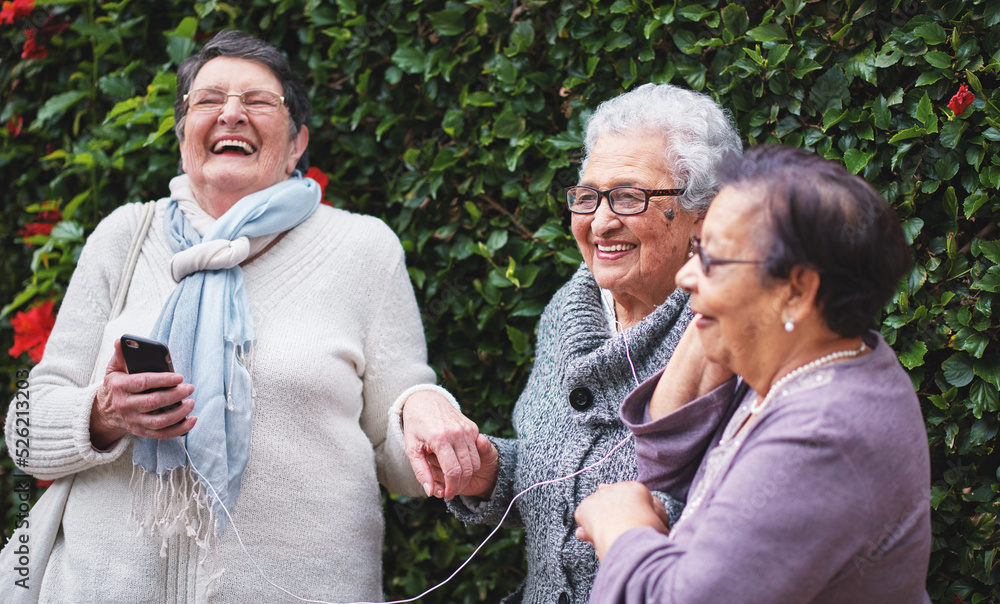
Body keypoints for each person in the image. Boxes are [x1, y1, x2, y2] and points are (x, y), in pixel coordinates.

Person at [0, 29, 477, 602]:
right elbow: (25, 430)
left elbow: (399, 458)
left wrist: (423, 408)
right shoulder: (125, 237)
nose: (231, 114)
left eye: (257, 101)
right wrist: (102, 413)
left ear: (297, 142)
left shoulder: (363, 249)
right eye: (207, 101)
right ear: (183, 139)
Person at [402, 83, 742, 604]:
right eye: (588, 197)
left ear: (704, 214)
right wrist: (492, 472)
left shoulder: (726, 333)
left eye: (630, 196)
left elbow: (745, 521)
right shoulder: (567, 313)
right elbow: (557, 478)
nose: (600, 222)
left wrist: (637, 523)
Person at [574, 145, 931, 603]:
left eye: (714, 260)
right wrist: (721, 308)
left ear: (797, 291)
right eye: (696, 249)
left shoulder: (822, 434)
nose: (686, 277)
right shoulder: (810, 358)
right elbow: (666, 457)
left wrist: (622, 528)